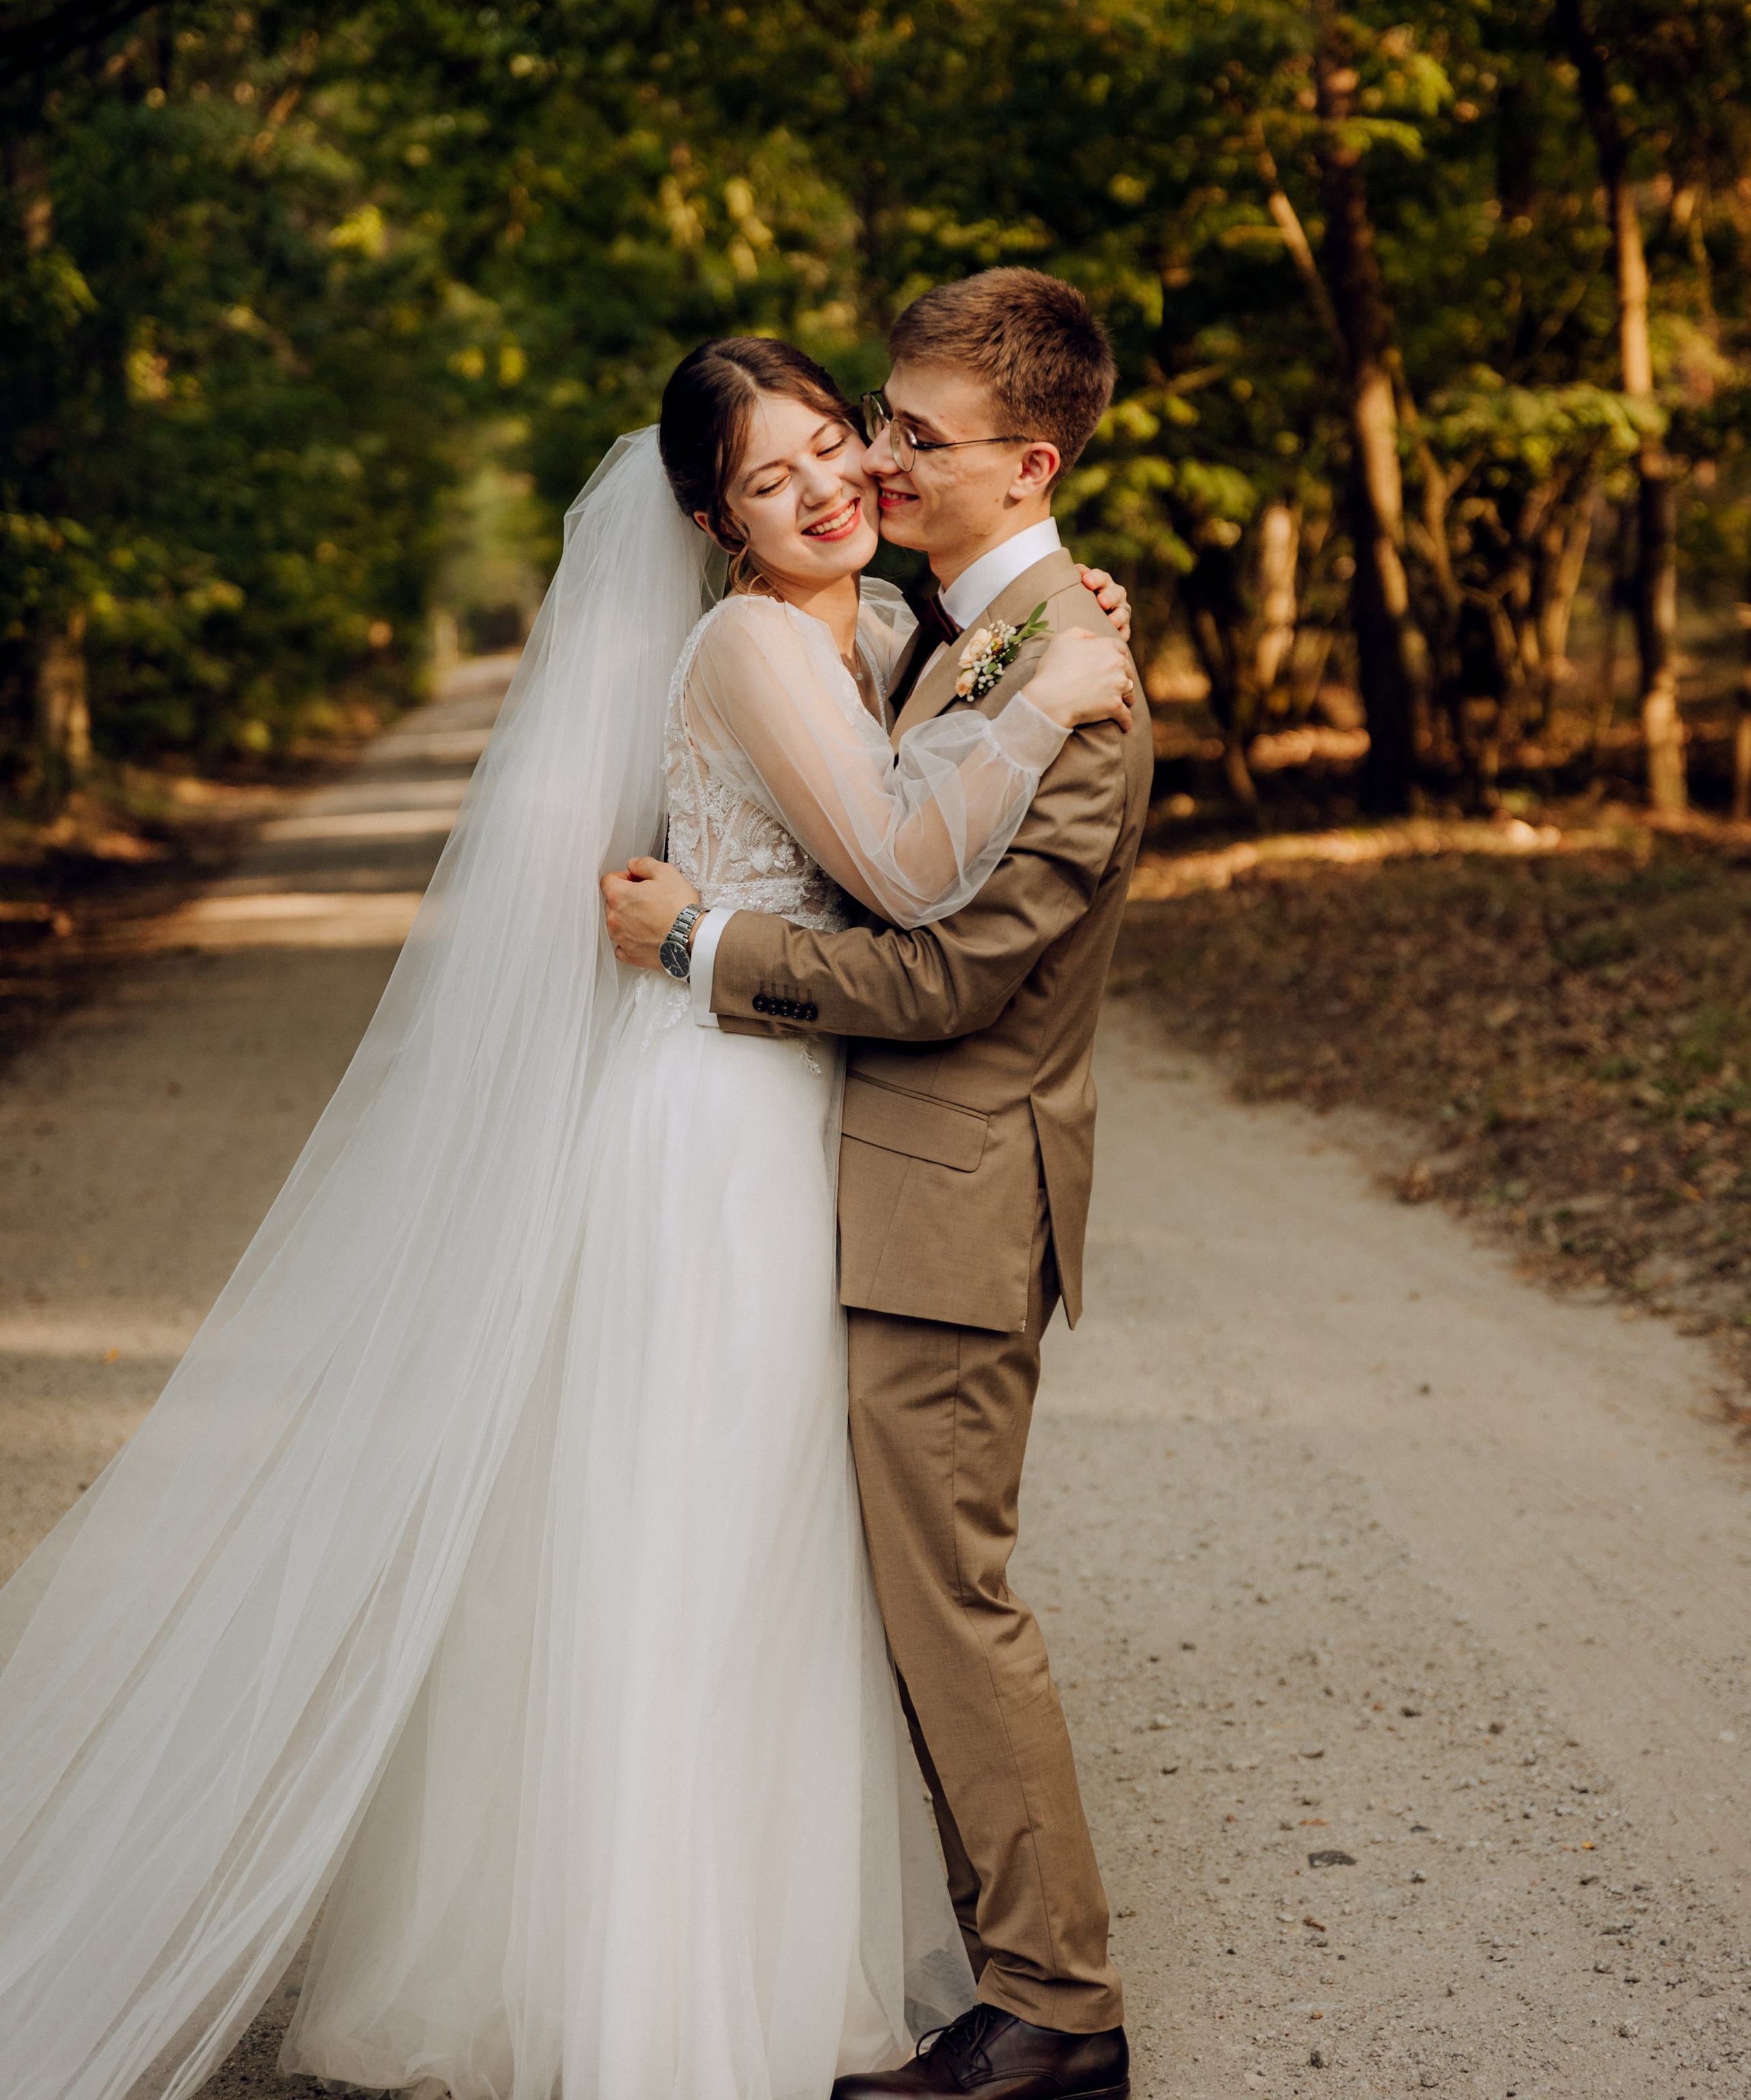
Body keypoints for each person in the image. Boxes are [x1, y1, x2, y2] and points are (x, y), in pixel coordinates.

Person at [0, 332, 1132, 2100]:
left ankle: (779, 1960)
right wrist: (1060, 689)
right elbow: (912, 872)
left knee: (788, 1562)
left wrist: (1042, 637)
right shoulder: (754, 645)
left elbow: (938, 768)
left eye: (841, 445)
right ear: (711, 517)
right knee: (691, 1543)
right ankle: (657, 1994)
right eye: (776, 476)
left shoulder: (905, 629)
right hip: (716, 1131)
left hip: (818, 1120)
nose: (832, 484)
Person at [605, 269, 1153, 2100]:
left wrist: (701, 945)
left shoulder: (1076, 681)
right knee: (844, 1589)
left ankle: (1057, 2011)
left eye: (907, 435)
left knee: (949, 1604)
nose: (879, 464)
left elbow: (945, 971)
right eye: (861, 433)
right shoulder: (953, 631)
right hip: (864, 1178)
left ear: (1032, 462)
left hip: (954, 1198)